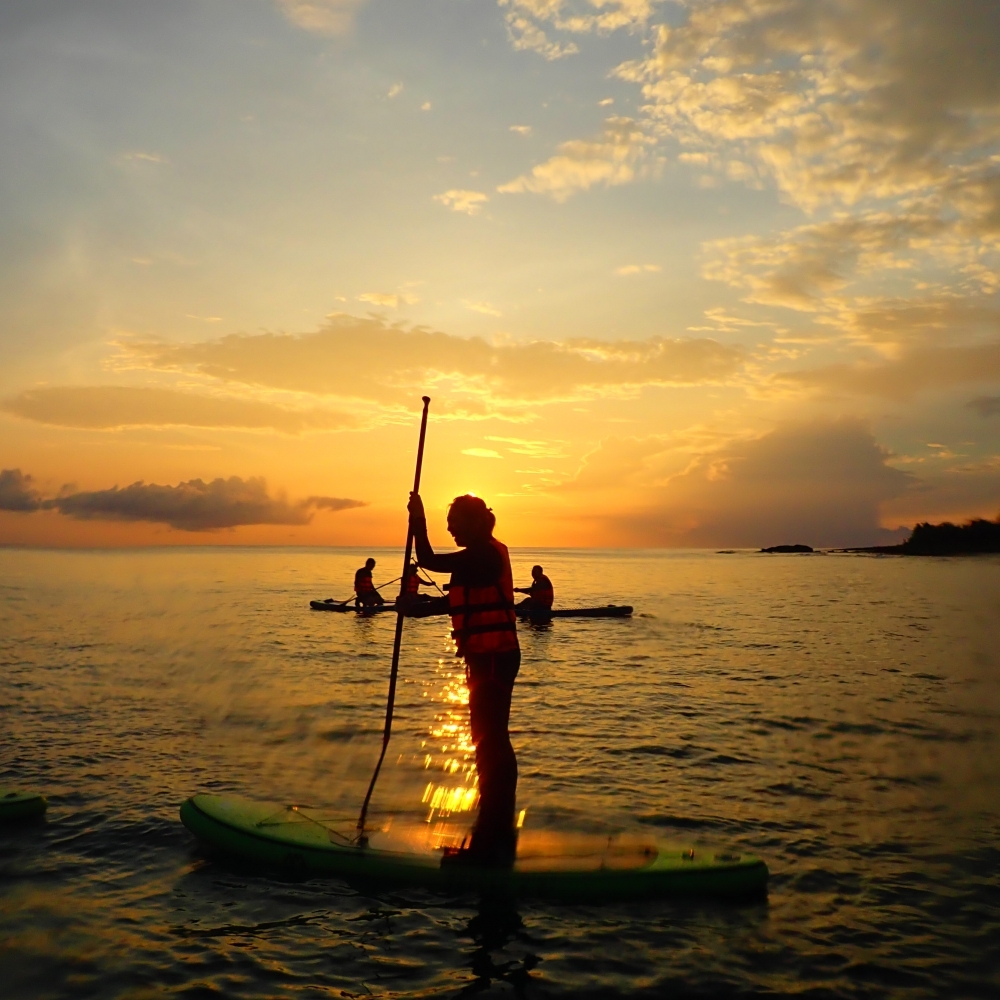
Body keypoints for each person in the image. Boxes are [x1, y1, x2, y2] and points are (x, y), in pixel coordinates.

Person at [406, 492, 520, 865]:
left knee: (491, 739)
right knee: (485, 739)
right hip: (483, 658)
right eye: (446, 524)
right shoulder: (475, 558)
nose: (451, 529)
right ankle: (494, 824)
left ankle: (494, 831)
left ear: (474, 523)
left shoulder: (485, 553)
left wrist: (418, 520)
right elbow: (454, 600)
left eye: (455, 523)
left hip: (495, 658)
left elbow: (427, 560)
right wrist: (416, 610)